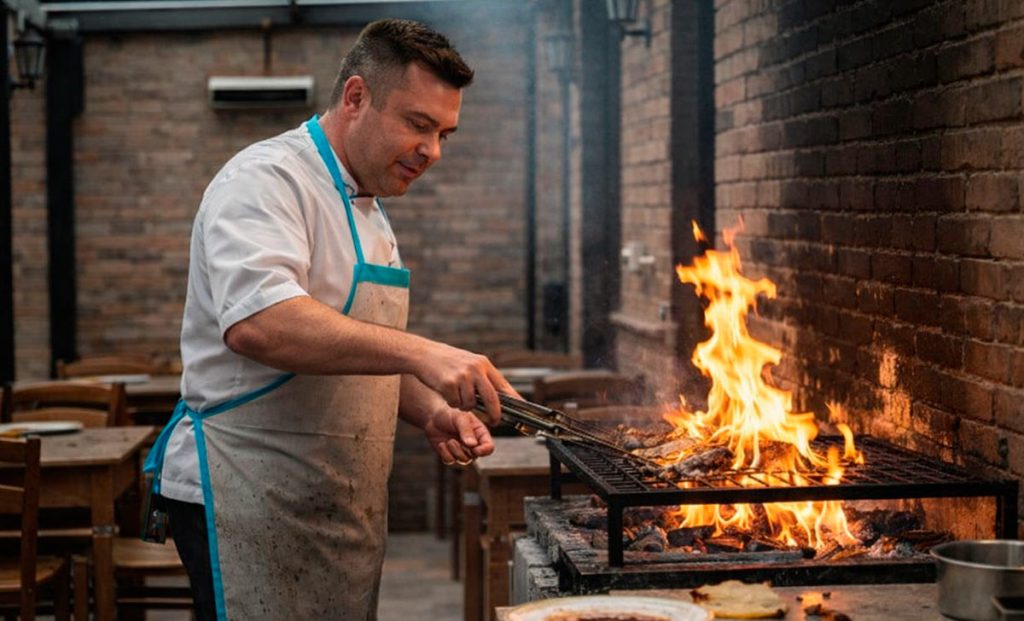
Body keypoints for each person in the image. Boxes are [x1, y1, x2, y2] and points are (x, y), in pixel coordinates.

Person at [143, 18, 516, 620]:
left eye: (445, 133)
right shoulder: (265, 181)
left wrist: (433, 411)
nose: (433, 151)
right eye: (418, 125)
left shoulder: (371, 209)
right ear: (356, 97)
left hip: (335, 505)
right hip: (244, 493)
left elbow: (355, 356)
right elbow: (259, 324)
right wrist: (424, 352)